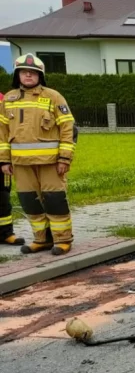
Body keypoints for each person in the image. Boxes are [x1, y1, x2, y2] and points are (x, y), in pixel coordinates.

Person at [0, 54, 76, 255]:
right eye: (24, 71)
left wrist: (64, 158)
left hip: (50, 162)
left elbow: (68, 127)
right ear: (17, 75)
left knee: (55, 200)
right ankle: (41, 239)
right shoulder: (8, 99)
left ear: (40, 76)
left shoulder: (53, 96)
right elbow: (2, 132)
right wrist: (4, 160)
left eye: (33, 72)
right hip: (20, 164)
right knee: (29, 202)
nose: (28, 75)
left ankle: (63, 240)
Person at [0, 90, 23, 246]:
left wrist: (5, 160)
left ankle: (5, 233)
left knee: (2, 198)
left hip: (0, 159)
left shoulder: (3, 99)